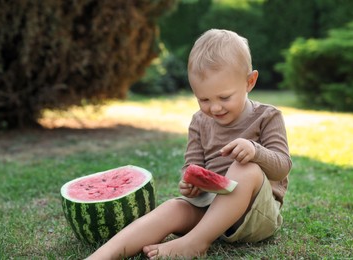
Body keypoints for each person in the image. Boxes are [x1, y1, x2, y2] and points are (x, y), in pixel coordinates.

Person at [88, 29, 292, 260]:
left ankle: (196, 243)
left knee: (245, 167)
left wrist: (255, 151)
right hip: (210, 211)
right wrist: (190, 183)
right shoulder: (199, 121)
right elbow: (192, 165)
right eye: (204, 99)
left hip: (255, 216)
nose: (214, 108)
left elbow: (282, 166)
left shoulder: (267, 117)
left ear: (249, 82)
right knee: (172, 208)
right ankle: (100, 257)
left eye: (224, 97)